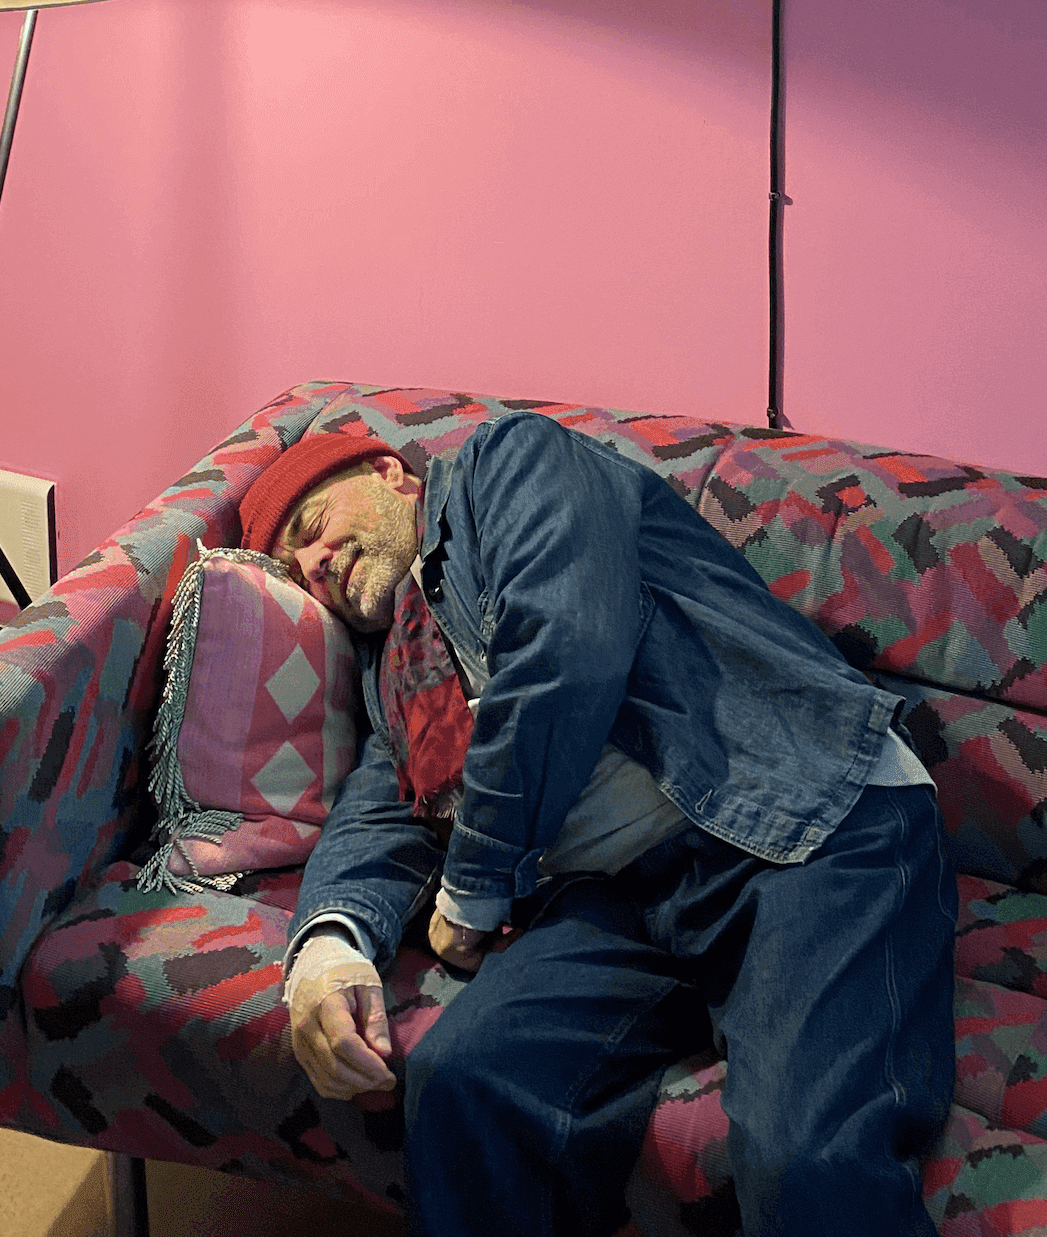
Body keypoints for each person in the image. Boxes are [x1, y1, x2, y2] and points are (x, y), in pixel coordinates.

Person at [241, 410, 956, 1236]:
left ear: (388, 474)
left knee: (805, 1163)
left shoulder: (507, 465)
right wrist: (327, 953)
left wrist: (473, 887)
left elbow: (566, 642)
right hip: (622, 895)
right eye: (295, 569)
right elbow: (380, 808)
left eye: (313, 526)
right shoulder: (391, 672)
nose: (314, 565)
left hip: (803, 816)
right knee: (462, 1081)